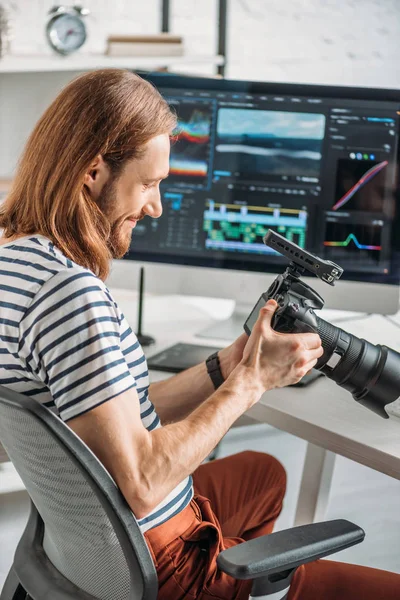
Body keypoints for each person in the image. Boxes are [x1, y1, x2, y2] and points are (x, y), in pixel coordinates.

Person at [0, 69, 398, 600]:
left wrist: (227, 367)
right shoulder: (72, 296)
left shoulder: (15, 259)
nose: (156, 206)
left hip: (85, 545)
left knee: (262, 473)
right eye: (149, 183)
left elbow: (113, 414)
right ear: (93, 171)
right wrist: (250, 385)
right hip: (151, 561)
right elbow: (141, 483)